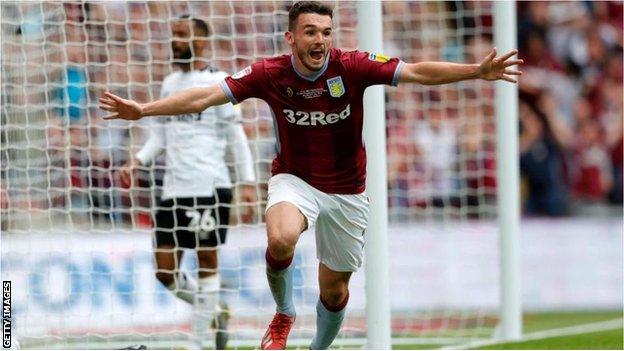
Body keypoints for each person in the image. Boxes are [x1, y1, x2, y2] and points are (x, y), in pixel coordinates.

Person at [100, 2, 522, 349]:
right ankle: (283, 314)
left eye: (325, 32)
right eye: (310, 32)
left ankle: (318, 348)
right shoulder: (269, 73)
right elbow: (206, 96)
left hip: (347, 191)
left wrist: (474, 71)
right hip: (294, 180)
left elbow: (415, 72)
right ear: (291, 37)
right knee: (281, 237)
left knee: (335, 292)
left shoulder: (353, 66)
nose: (319, 39)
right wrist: (144, 110)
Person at [118, 15, 256, 350]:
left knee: (208, 264)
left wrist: (248, 183)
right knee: (164, 273)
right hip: (172, 189)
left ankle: (197, 344)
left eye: (182, 35)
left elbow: (235, 137)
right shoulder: (168, 84)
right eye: (174, 34)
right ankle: (214, 310)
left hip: (209, 186)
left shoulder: (219, 81)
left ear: (202, 41)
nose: (174, 40)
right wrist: (138, 160)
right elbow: (160, 136)